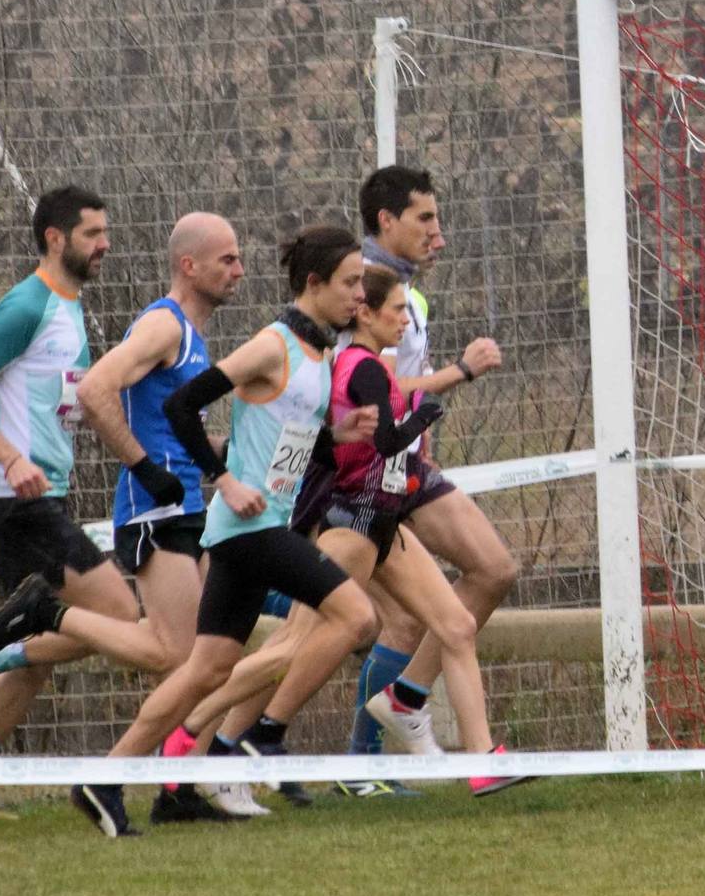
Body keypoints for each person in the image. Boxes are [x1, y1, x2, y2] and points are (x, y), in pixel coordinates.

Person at [169, 265, 530, 798]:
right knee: (294, 647)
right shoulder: (361, 368)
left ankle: (480, 761)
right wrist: (422, 416)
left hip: (385, 521)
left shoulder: (364, 368)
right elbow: (383, 443)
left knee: (455, 625)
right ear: (365, 312)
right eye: (399, 310)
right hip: (353, 524)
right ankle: (200, 733)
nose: (406, 321)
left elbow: (361, 442)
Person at [71, 225, 380, 837]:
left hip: (246, 531)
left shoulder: (319, 354)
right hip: (249, 525)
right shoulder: (273, 344)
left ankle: (105, 778)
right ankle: (261, 733)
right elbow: (181, 405)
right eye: (349, 283)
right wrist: (223, 479)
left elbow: (279, 437)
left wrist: (333, 438)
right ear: (314, 284)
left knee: (205, 669)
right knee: (358, 618)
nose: (360, 296)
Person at [0, 186, 178, 825]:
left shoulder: (69, 307)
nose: (105, 244)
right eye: (93, 233)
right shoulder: (27, 304)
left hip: (38, 499)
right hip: (15, 502)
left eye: (105, 231)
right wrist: (11, 456)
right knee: (118, 618)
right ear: (56, 238)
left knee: (36, 653)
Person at [334, 164, 512, 797]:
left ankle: (402, 705)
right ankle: (356, 758)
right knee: (356, 629)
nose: (438, 233)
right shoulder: (363, 290)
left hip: (405, 468)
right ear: (387, 221)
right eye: (425, 219)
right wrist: (461, 371)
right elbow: (373, 394)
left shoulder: (408, 294)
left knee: (485, 577)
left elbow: (402, 389)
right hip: (367, 478)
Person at [75, 211, 245, 825]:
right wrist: (145, 468)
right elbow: (94, 390)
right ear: (188, 265)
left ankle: (177, 790)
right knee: (181, 657)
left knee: (208, 658)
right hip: (154, 509)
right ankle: (109, 780)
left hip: (189, 508)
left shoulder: (195, 340)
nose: (239, 270)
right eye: (227, 259)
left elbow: (179, 430)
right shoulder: (162, 325)